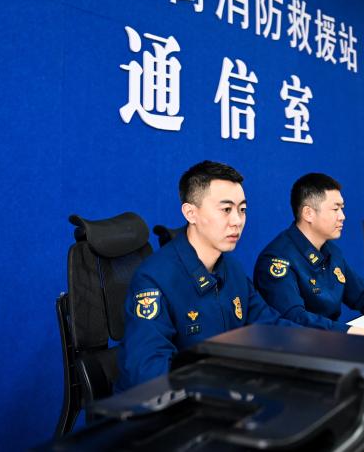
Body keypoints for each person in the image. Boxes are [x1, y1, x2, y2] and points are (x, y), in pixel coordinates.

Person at [115, 160, 295, 392]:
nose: (237, 221)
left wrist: (329, 340)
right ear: (191, 213)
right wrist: (227, 383)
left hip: (221, 393)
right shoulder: (154, 280)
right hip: (165, 407)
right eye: (226, 209)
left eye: (242, 210)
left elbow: (271, 326)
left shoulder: (231, 269)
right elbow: (149, 372)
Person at [253, 173, 364, 333]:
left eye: (342, 208)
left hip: (329, 341)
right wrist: (348, 332)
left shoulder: (332, 251)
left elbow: (362, 296)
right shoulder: (276, 260)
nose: (342, 216)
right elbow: (294, 319)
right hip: (295, 345)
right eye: (335, 209)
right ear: (308, 213)